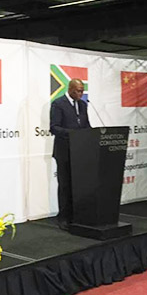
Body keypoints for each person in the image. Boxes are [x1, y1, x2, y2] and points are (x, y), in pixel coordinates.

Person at [50, 79, 90, 230]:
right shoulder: (58, 104)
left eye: (82, 91)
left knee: (78, 185)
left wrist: (92, 134)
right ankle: (63, 218)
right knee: (65, 185)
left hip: (80, 151)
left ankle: (76, 215)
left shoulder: (83, 105)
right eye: (78, 91)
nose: (80, 94)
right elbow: (54, 127)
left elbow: (86, 126)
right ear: (70, 89)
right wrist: (73, 134)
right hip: (64, 151)